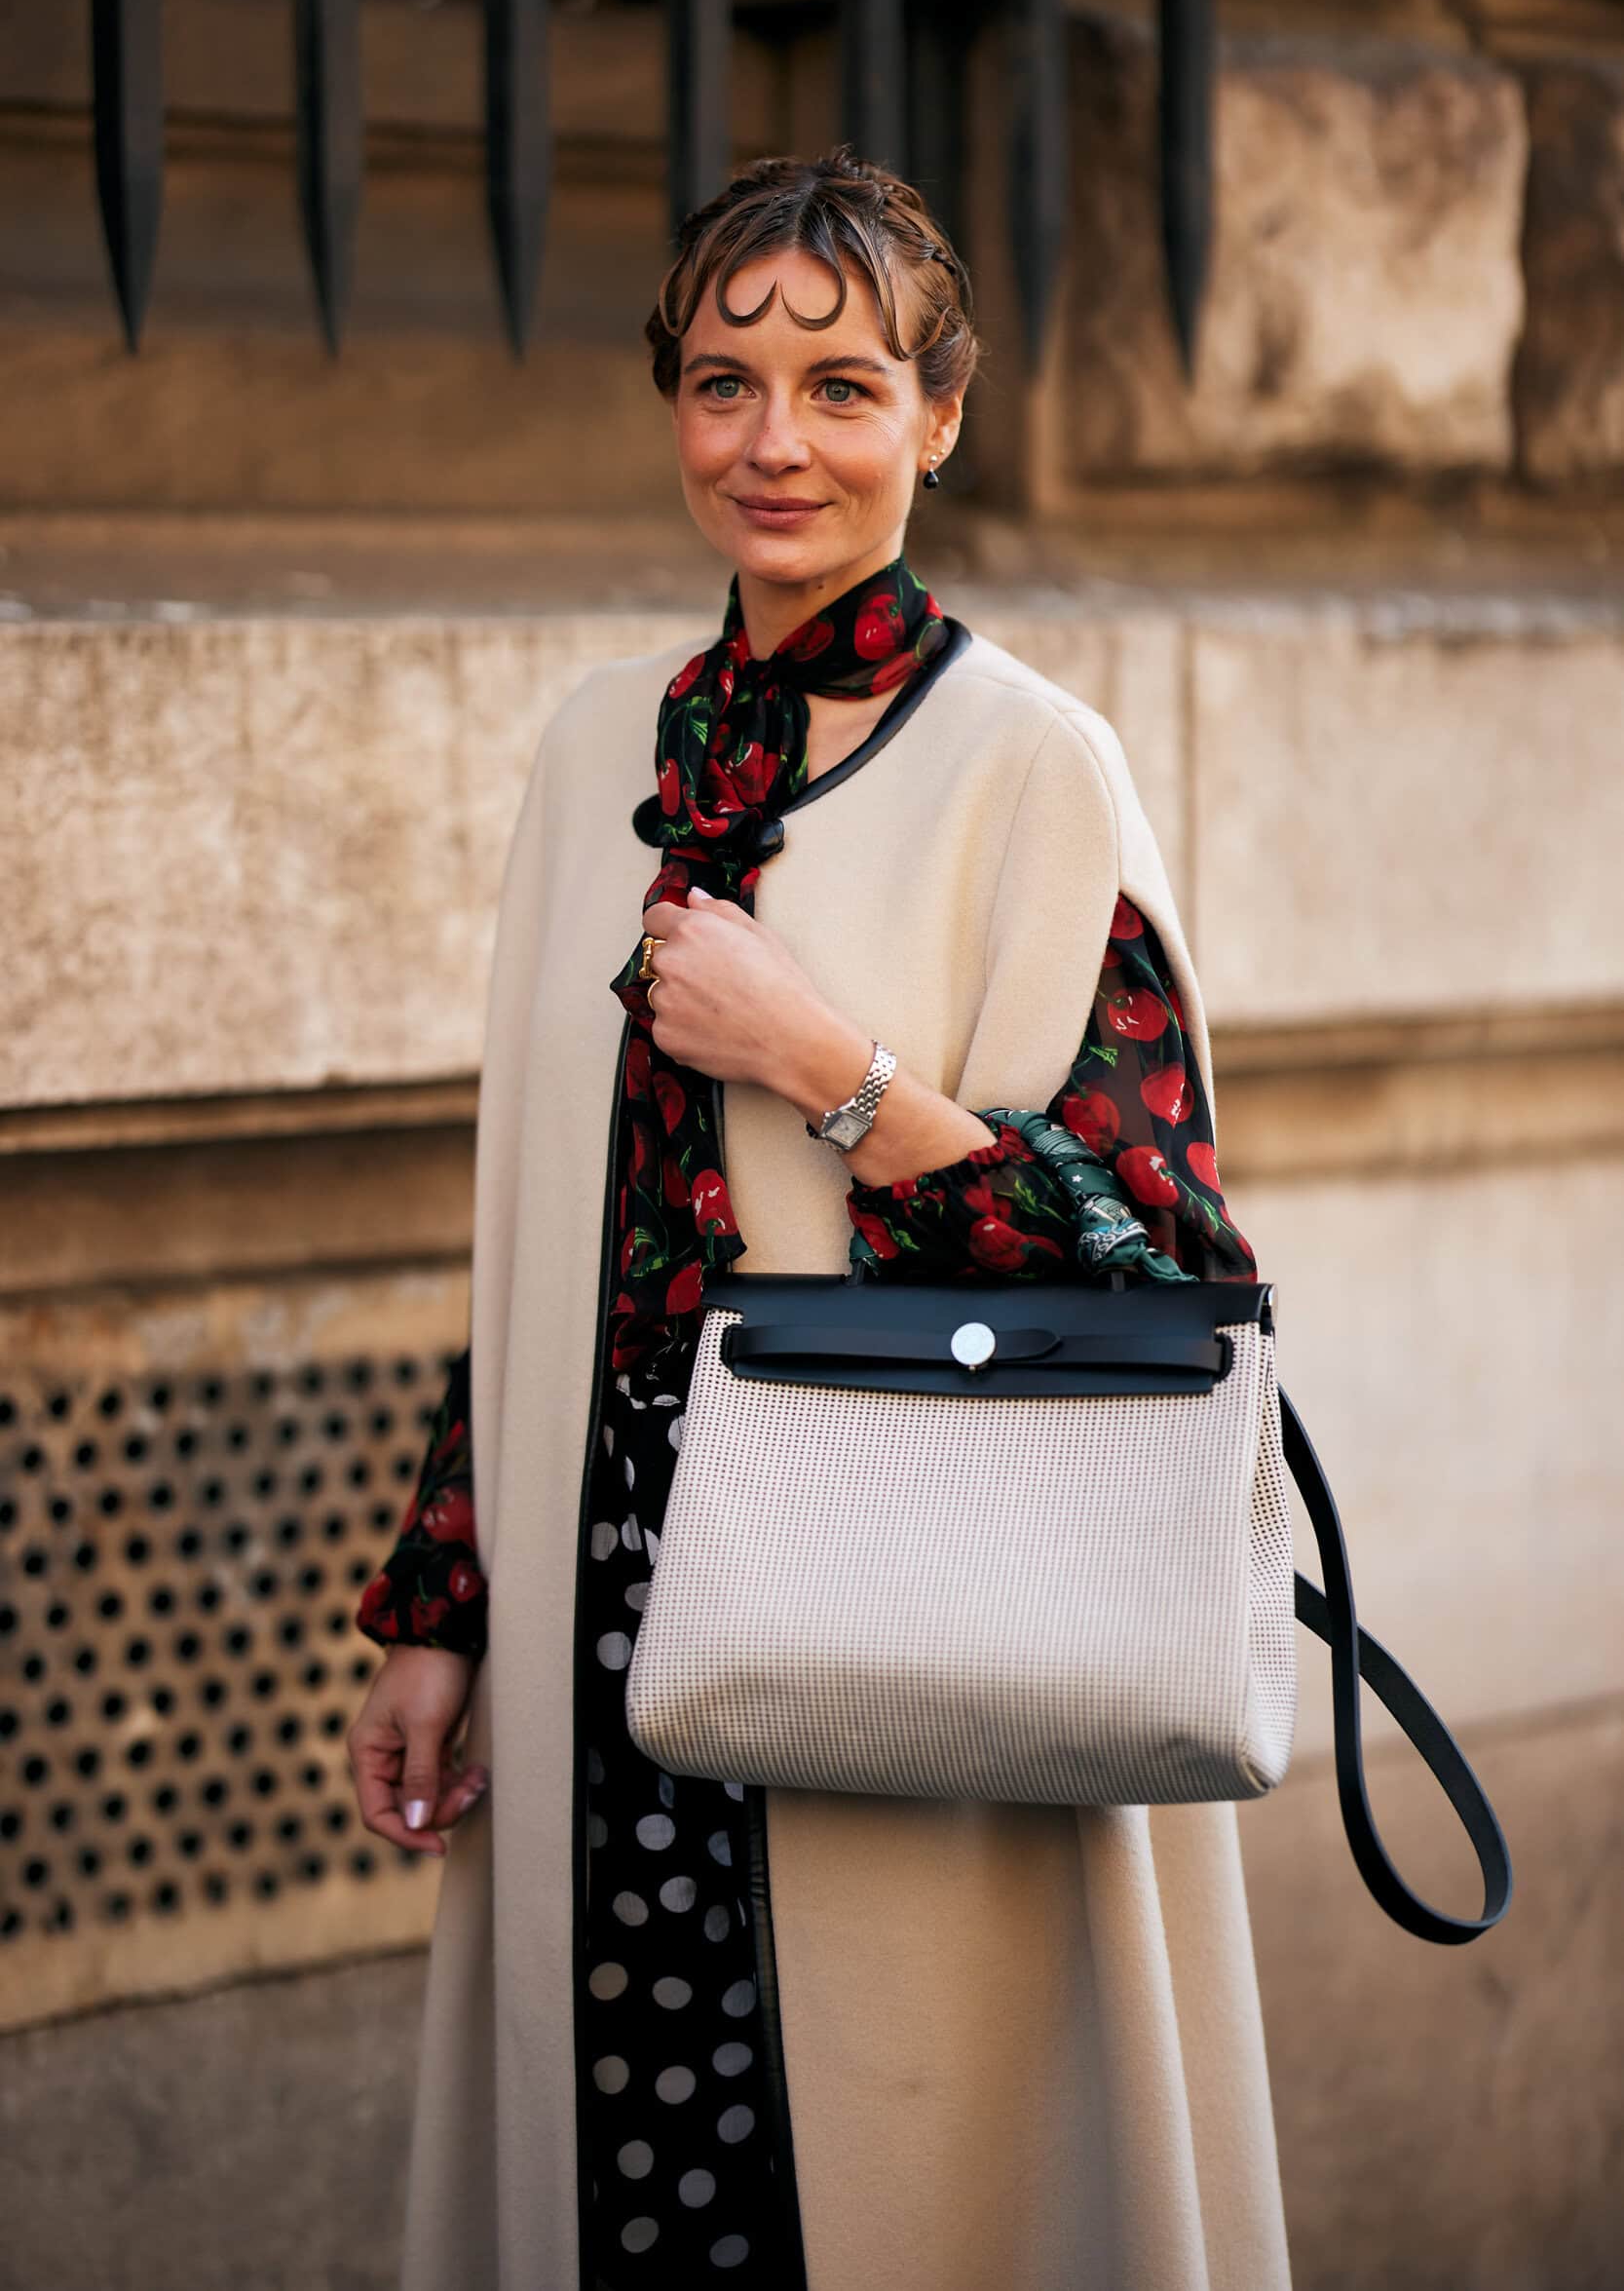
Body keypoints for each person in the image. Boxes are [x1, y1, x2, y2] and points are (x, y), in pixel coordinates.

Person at [346, 146, 1293, 2291]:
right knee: (634, 2187)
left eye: (843, 386)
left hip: (900, 1594)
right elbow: (556, 1242)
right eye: (724, 382)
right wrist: (442, 1602)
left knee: (886, 2180)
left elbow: (1159, 1269)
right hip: (604, 1605)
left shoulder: (1032, 766)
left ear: (939, 418)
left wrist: (828, 1067)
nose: (774, 443)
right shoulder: (599, 750)